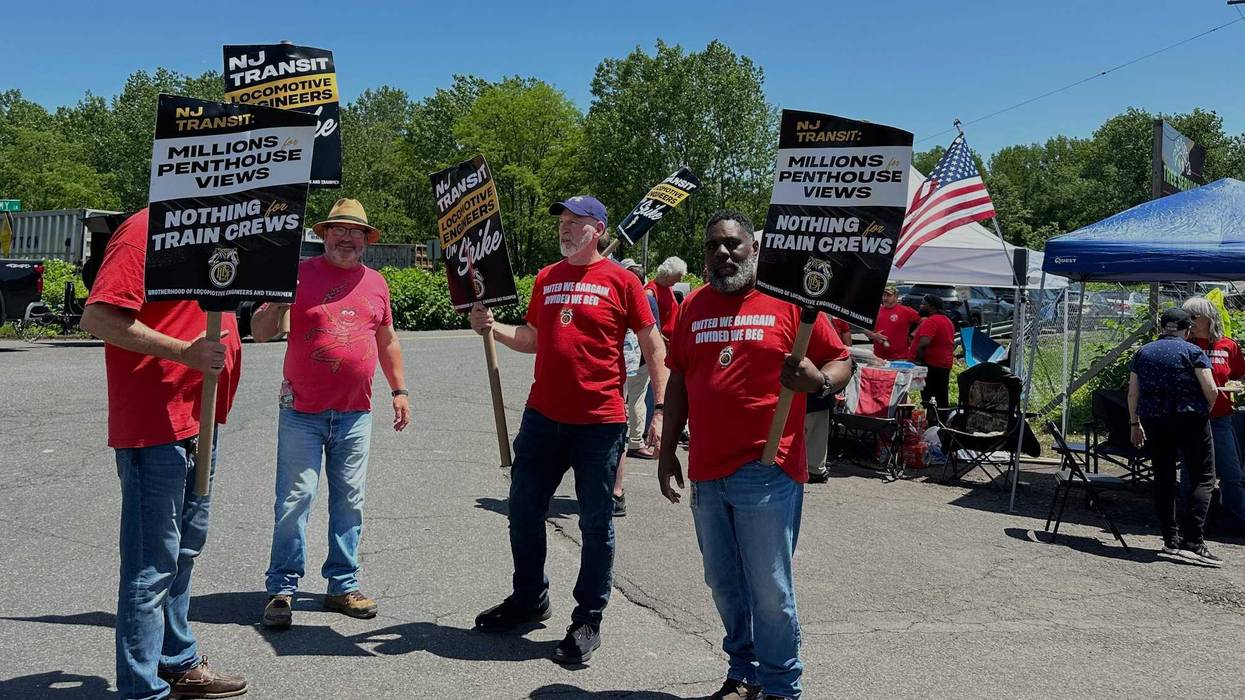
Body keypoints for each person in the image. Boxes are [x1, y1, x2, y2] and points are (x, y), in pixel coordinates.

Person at [658, 210, 852, 700]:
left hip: (767, 467)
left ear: (754, 249)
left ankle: (782, 686)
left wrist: (819, 383)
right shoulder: (692, 306)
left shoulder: (790, 302)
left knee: (769, 589)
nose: (722, 253)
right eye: (713, 246)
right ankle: (744, 672)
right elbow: (679, 378)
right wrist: (666, 449)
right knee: (722, 582)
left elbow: (840, 359)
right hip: (706, 469)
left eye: (733, 244)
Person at [469, 195, 668, 664]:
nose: (565, 228)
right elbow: (534, 339)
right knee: (523, 510)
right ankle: (529, 597)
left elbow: (653, 346)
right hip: (543, 418)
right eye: (562, 221)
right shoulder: (547, 277)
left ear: (598, 229)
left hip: (599, 422)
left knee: (596, 523)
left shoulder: (623, 280)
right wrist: (492, 327)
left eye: (576, 222)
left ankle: (587, 618)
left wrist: (661, 410)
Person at [80, 209, 248, 699]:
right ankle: (141, 689)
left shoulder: (221, 226)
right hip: (155, 425)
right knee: (151, 564)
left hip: (200, 419)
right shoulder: (145, 229)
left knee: (183, 553)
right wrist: (182, 353)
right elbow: (98, 317)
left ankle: (176, 660)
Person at [250, 198, 410, 629]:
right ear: (324, 235)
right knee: (295, 499)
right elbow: (260, 333)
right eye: (339, 229)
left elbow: (387, 340)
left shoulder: (376, 283)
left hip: (356, 413)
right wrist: (278, 302)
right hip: (302, 411)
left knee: (350, 501)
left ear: (366, 240)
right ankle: (282, 589)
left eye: (355, 231)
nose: (347, 237)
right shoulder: (296, 275)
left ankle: (342, 585)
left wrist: (399, 390)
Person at [1128, 308, 1222, 567]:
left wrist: (1134, 423)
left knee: (1164, 476)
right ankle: (1193, 541)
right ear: (1187, 330)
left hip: (1154, 418)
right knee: (1204, 477)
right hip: (1189, 417)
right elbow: (1211, 389)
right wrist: (1206, 409)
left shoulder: (1143, 352)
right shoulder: (1193, 352)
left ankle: (1170, 539)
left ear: (1162, 328)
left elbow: (1133, 393)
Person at [1182, 297, 1245, 532]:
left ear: (1209, 318)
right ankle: (1192, 518)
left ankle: (1236, 518)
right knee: (1191, 470)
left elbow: (1239, 374)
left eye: (1194, 316)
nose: (1190, 321)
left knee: (1231, 471)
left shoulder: (1228, 345)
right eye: (1186, 317)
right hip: (1192, 417)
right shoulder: (1184, 344)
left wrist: (1237, 385)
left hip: (1221, 417)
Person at [615, 256, 661, 515]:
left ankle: (632, 439)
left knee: (626, 402)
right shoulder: (647, 298)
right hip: (637, 360)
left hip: (623, 360)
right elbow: (654, 335)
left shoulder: (621, 291)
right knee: (637, 399)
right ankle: (635, 439)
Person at [805, 317, 853, 483]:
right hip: (808, 387)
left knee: (815, 428)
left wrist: (825, 381)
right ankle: (813, 468)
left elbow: (841, 356)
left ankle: (814, 469)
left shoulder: (822, 319)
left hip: (818, 385)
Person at [911, 294, 956, 409]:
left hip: (931, 364)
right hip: (944, 364)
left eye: (923, 304)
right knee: (941, 396)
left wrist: (918, 361)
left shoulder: (931, 321)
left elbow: (924, 343)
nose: (920, 306)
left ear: (931, 306)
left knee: (928, 398)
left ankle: (931, 418)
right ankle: (942, 417)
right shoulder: (947, 320)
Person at [864, 285, 919, 361]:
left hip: (899, 357)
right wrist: (874, 335)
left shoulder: (906, 311)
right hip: (878, 357)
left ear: (896, 297)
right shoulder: (876, 311)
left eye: (889, 296)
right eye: (884, 295)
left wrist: (914, 333)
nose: (885, 298)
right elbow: (865, 328)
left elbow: (924, 320)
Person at [646, 256, 686, 344]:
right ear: (668, 275)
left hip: (673, 340)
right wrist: (660, 338)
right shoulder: (650, 292)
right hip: (662, 343)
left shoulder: (668, 287)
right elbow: (648, 324)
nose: (680, 280)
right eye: (678, 276)